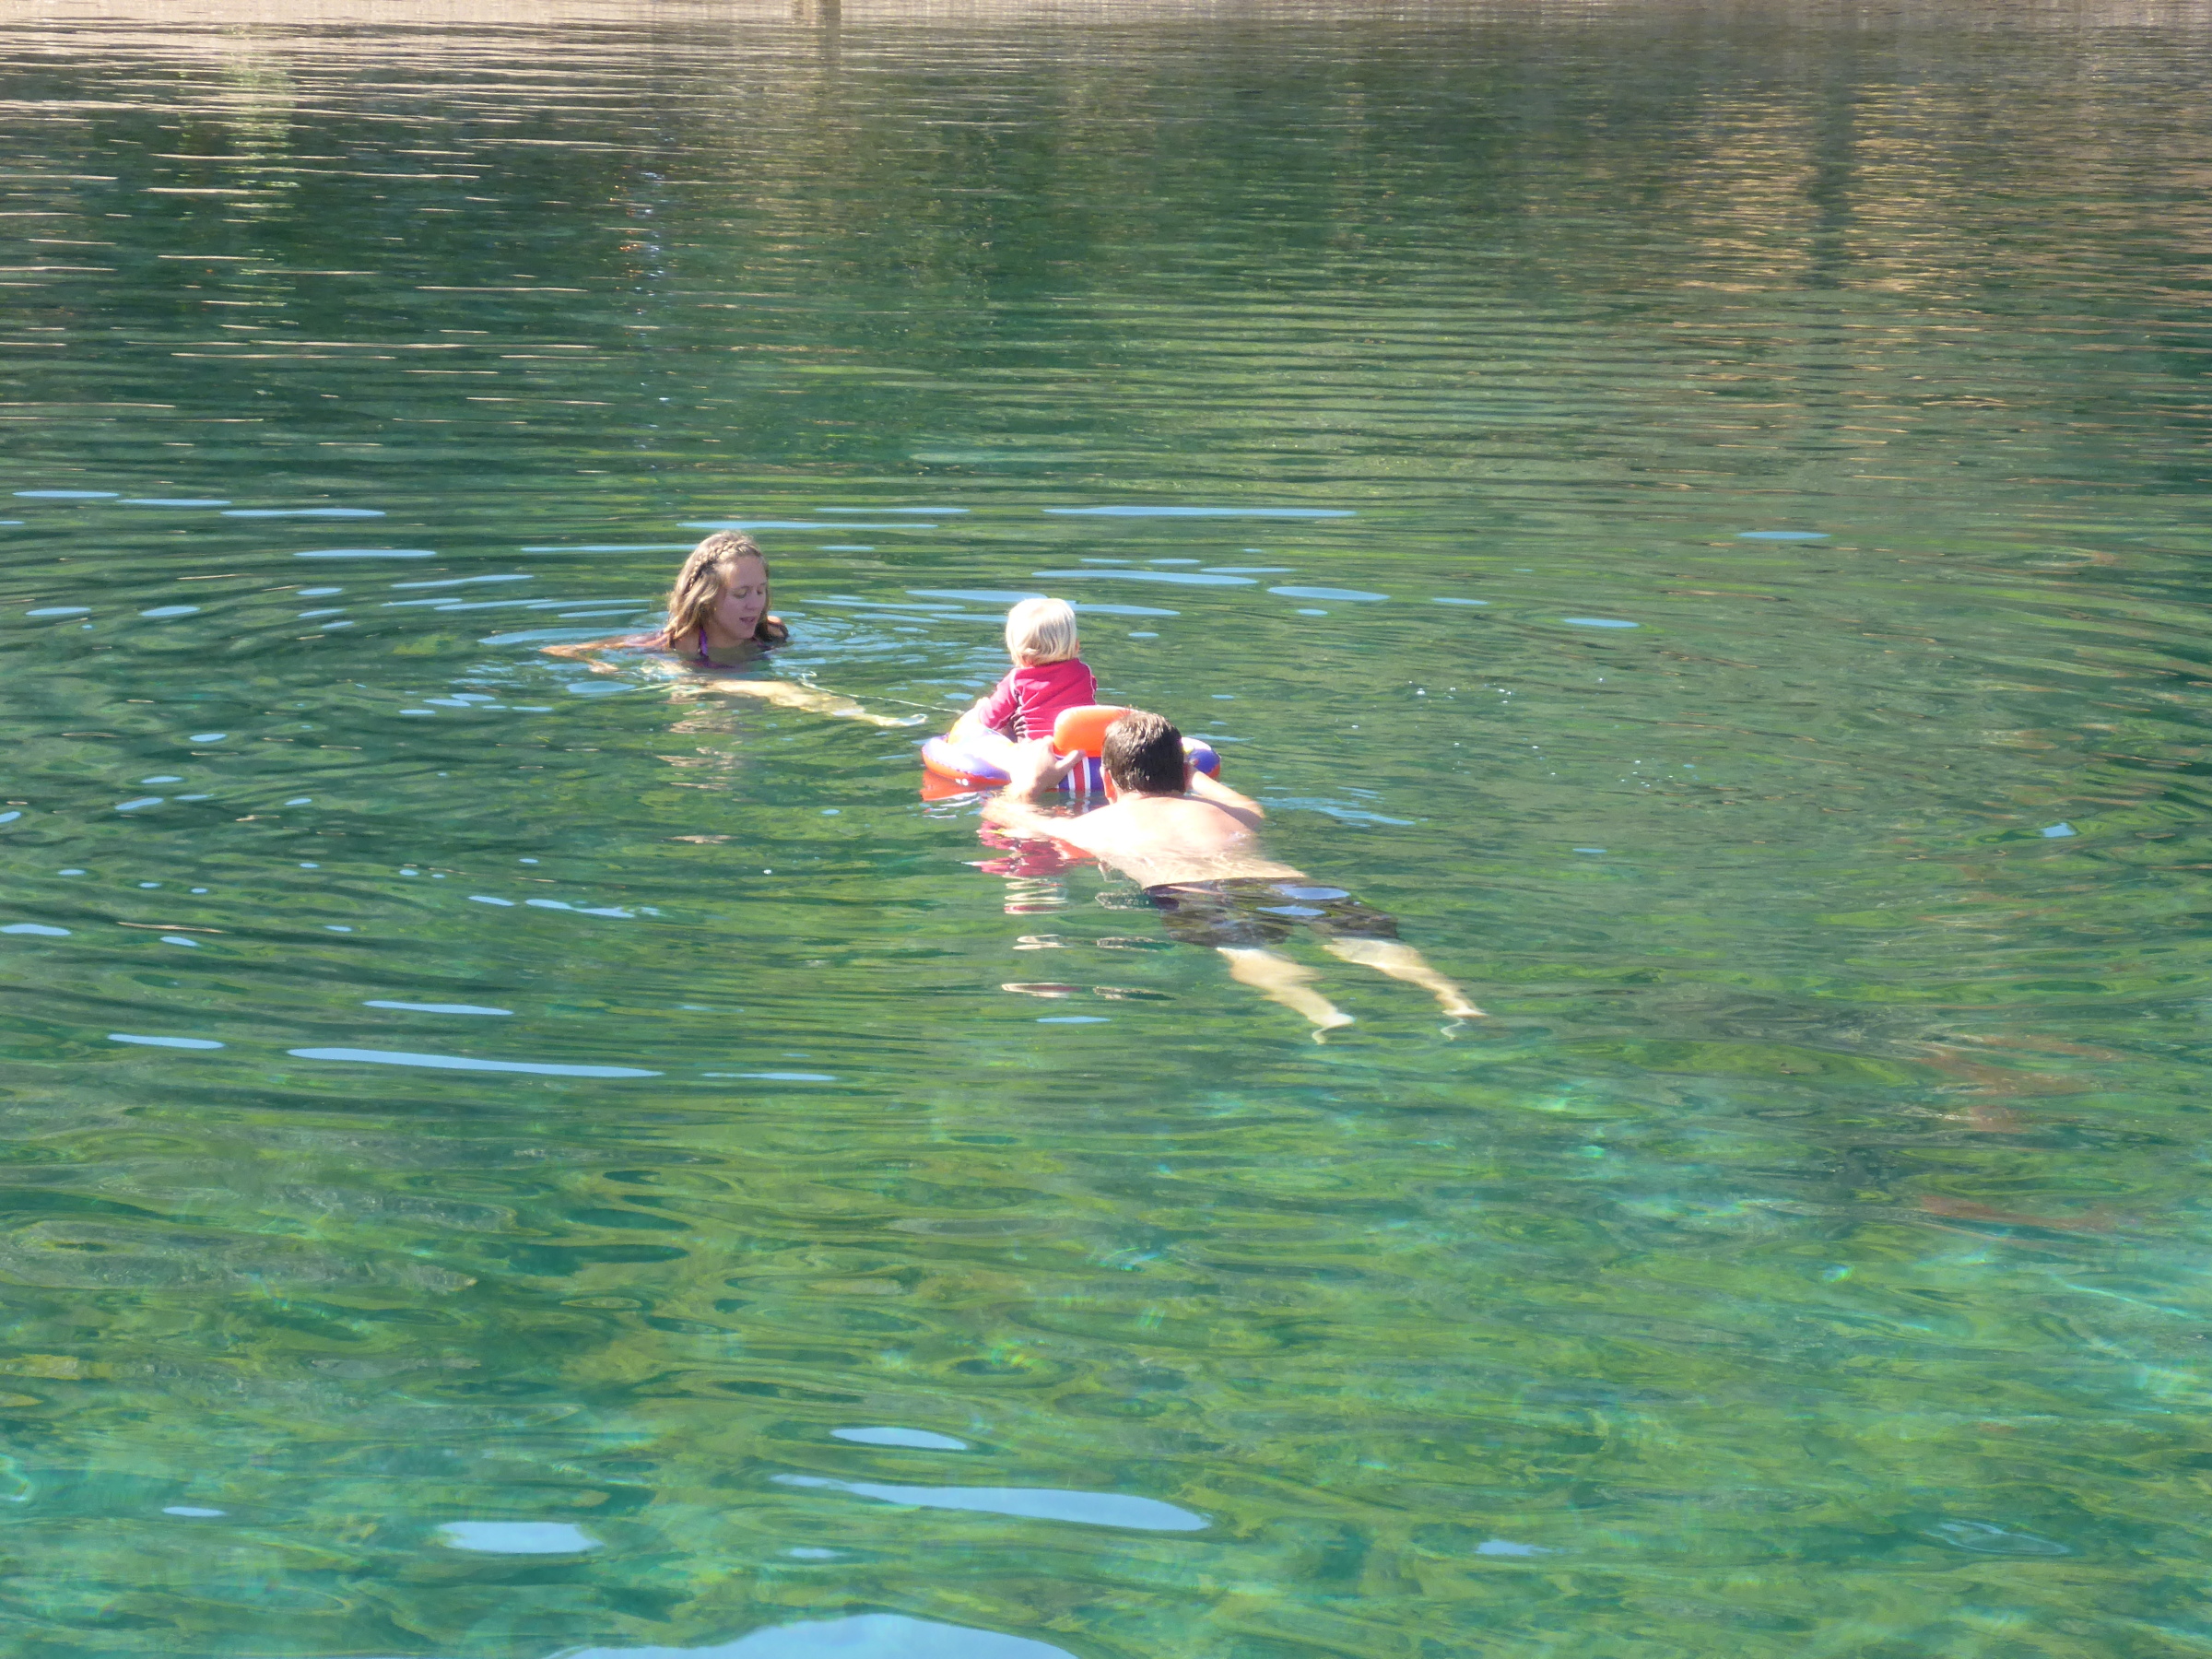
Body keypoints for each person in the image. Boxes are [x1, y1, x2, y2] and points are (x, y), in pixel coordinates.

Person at [982, 709, 1482, 1038]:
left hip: (1185, 888)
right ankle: (1453, 999)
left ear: (1109, 785)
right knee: (1366, 938)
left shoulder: (1094, 826)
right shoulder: (1234, 814)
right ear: (1185, 776)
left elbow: (1003, 813)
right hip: (1280, 878)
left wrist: (1029, 783)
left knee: (1247, 949)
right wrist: (1194, 776)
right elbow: (1247, 801)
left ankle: (1325, 1013)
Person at [546, 531, 912, 727]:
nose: (755, 604)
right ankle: (875, 720)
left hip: (752, 708)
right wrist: (605, 667)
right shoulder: (677, 643)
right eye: (740, 594)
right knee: (771, 693)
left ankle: (872, 716)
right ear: (706, 599)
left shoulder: (772, 633)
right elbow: (562, 650)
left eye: (760, 591)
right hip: (699, 693)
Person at [945, 596, 1099, 768]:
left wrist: (980, 709)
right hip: (1082, 757)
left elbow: (990, 720)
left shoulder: (1016, 681)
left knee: (986, 731)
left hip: (1036, 759)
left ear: (1020, 654)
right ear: (1076, 645)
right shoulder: (1084, 673)